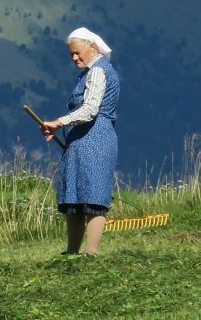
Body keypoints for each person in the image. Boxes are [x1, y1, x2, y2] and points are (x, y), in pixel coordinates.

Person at [39, 27, 119, 257]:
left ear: (92, 47)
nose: (74, 58)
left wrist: (58, 122)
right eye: (71, 54)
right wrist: (60, 128)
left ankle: (90, 252)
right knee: (73, 195)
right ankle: (71, 252)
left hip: (96, 139)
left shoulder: (99, 71)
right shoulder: (88, 72)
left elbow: (90, 109)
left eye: (77, 52)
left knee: (94, 194)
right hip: (80, 141)